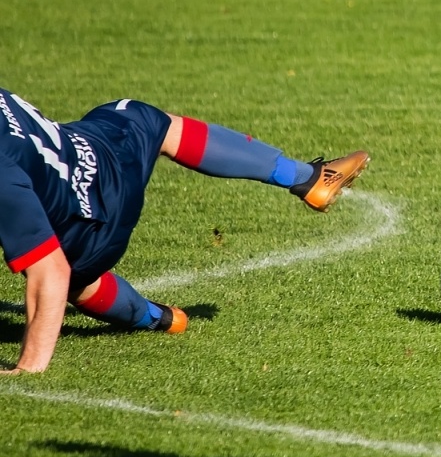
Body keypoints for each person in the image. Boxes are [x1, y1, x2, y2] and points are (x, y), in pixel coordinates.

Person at [0, 86, 369, 374]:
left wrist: (29, 367)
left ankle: (152, 317)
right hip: (90, 155)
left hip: (93, 213)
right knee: (143, 118)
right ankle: (307, 178)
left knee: (74, 275)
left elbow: (51, 271)